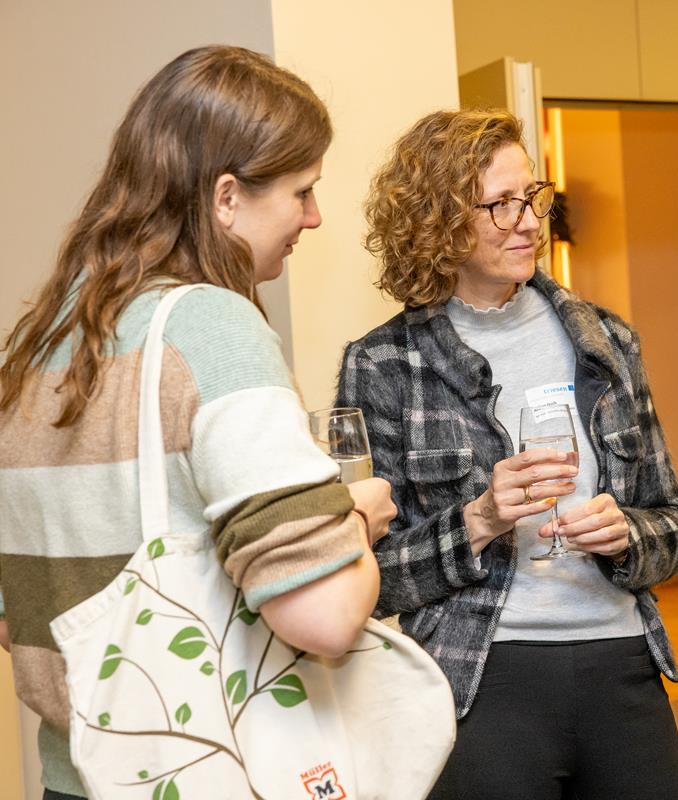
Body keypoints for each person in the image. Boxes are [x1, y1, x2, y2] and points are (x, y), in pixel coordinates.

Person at [0, 46, 396, 800]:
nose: (313, 217)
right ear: (226, 197)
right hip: (213, 775)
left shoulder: (37, 345)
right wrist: (354, 522)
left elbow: (17, 616)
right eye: (302, 191)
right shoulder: (211, 330)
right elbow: (325, 616)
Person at [336, 108, 678, 800]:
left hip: (621, 661)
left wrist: (628, 534)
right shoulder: (383, 365)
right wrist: (478, 520)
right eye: (501, 204)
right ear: (439, 221)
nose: (530, 222)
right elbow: (368, 577)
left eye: (532, 196)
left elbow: (674, 524)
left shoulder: (607, 342)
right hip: (479, 674)